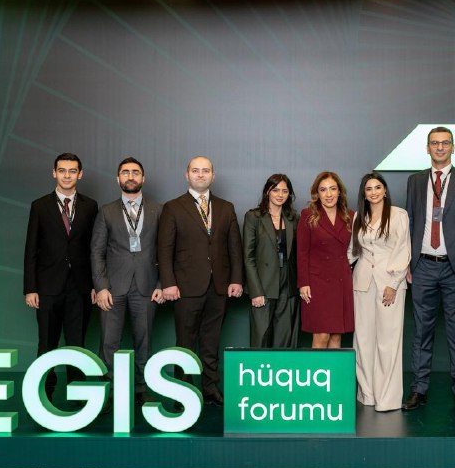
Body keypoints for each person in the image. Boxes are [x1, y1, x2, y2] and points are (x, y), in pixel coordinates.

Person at [403, 126, 455, 415]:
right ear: (427, 148)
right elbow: (410, 223)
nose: (440, 147)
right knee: (421, 332)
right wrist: (407, 263)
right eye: (435, 143)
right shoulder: (415, 181)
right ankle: (419, 390)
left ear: (453, 147)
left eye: (445, 143)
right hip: (423, 266)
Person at [158, 156, 244, 408]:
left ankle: (210, 388)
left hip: (219, 286)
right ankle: (182, 391)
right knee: (185, 341)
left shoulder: (226, 207)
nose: (201, 174)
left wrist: (236, 279)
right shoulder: (173, 207)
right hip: (185, 286)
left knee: (211, 341)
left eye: (205, 170)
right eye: (195, 170)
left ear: (212, 176)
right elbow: (164, 249)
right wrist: (168, 282)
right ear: (187, 175)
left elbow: (235, 248)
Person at [23, 152, 98, 400]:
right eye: (62, 170)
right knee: (47, 342)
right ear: (54, 173)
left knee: (77, 344)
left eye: (72, 171)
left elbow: (94, 248)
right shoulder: (39, 206)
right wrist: (30, 288)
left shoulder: (90, 206)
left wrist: (96, 285)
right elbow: (31, 249)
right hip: (47, 287)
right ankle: (44, 391)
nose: (67, 175)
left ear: (80, 174)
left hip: (80, 287)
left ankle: (78, 395)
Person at [91, 157, 164, 407]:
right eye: (125, 172)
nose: (130, 176)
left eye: (135, 172)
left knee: (144, 341)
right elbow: (96, 252)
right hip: (112, 288)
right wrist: (101, 287)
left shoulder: (159, 210)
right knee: (108, 343)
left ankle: (142, 389)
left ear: (143, 178)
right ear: (118, 178)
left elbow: (166, 250)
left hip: (147, 286)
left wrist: (161, 284)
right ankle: (109, 391)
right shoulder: (106, 211)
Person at [349, 172, 410, 412]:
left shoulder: (398, 215)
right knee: (363, 340)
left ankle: (387, 398)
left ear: (385, 190)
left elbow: (403, 249)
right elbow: (352, 252)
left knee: (388, 340)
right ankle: (368, 394)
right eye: (368, 189)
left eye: (377, 187)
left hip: (389, 284)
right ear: (364, 194)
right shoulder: (358, 216)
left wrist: (393, 283)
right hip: (362, 282)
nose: (373, 192)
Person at [297, 171, 354, 349]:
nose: (328, 194)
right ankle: (316, 368)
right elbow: (301, 252)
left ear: (339, 191)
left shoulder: (350, 216)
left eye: (332, 189)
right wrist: (303, 283)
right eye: (323, 190)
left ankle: (333, 370)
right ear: (317, 193)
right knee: (321, 335)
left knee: (336, 335)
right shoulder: (308, 215)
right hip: (317, 282)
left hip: (341, 281)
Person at [243, 174, 300, 348]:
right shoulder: (254, 217)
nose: (280, 195)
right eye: (275, 190)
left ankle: (282, 367)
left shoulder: (293, 218)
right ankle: (259, 367)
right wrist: (255, 291)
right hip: (264, 284)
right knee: (261, 339)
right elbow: (248, 257)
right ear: (267, 192)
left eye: (285, 191)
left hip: (287, 285)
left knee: (284, 340)